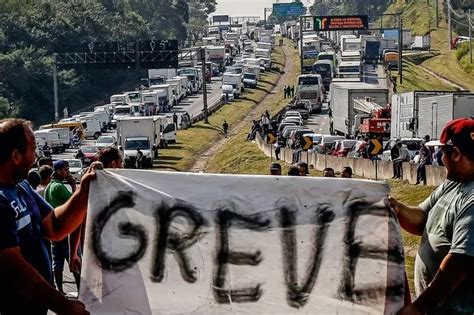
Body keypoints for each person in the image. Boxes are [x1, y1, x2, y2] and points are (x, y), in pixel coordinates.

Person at [0, 118, 93, 314]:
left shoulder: (21, 185)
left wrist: (84, 192)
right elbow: (13, 269)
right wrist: (64, 306)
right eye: (33, 149)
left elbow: (55, 227)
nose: (35, 157)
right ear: (15, 155)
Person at [390, 118, 474, 314]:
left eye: (442, 152)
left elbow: (460, 263)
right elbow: (422, 219)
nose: (439, 158)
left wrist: (420, 307)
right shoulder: (454, 183)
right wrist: (397, 209)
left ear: (456, 154)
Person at [44, 160, 81, 294]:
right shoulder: (59, 187)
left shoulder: (50, 186)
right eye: (65, 169)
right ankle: (80, 291)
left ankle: (60, 290)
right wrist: (73, 185)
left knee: (57, 262)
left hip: (55, 232)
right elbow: (75, 203)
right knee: (75, 260)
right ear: (58, 171)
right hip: (66, 231)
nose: (68, 172)